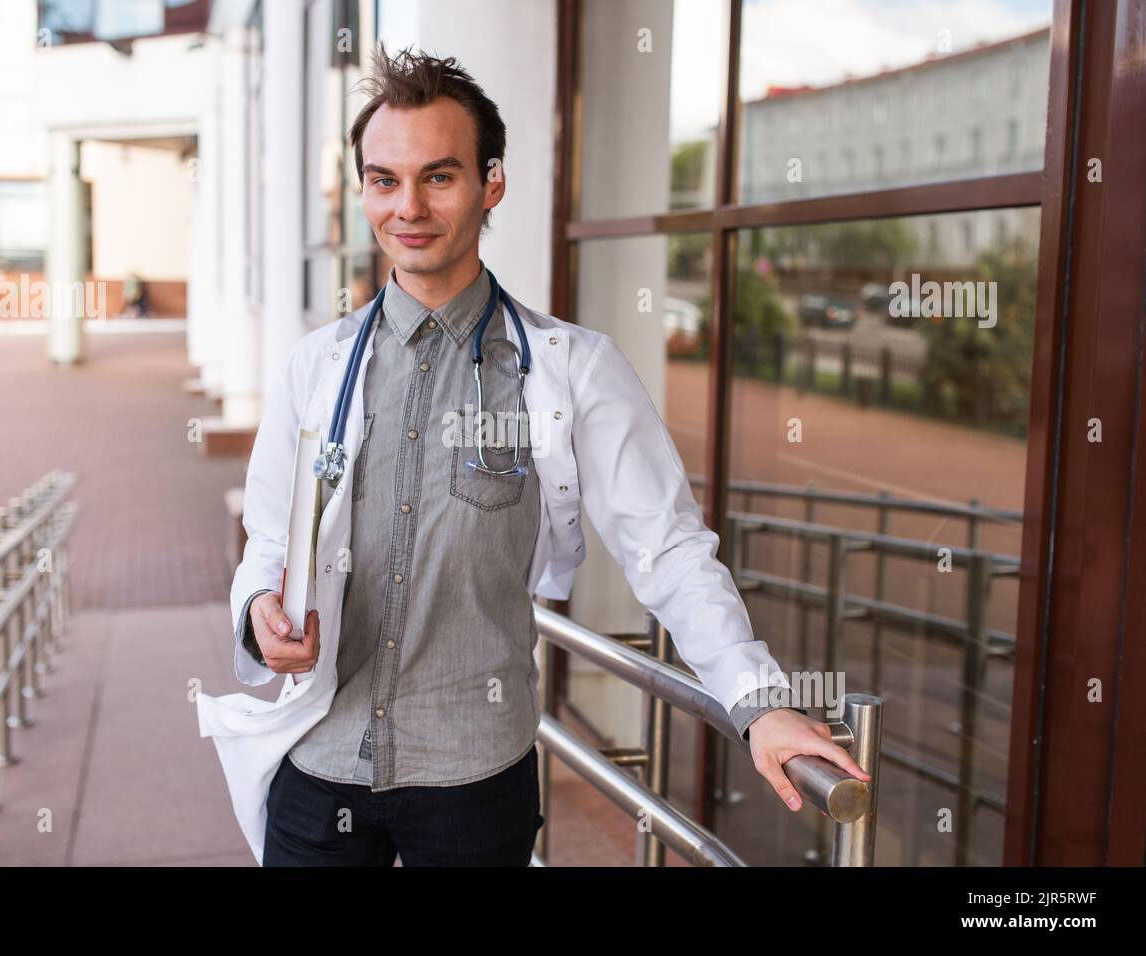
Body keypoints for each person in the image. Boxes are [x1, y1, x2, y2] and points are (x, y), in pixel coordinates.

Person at [226, 43, 869, 867]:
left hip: (471, 788)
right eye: (384, 180)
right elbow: (271, 541)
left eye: (440, 176)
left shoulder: (571, 368)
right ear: (362, 190)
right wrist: (256, 617)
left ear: (492, 182)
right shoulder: (315, 366)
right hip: (315, 776)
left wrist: (760, 701)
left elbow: (667, 547)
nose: (408, 207)